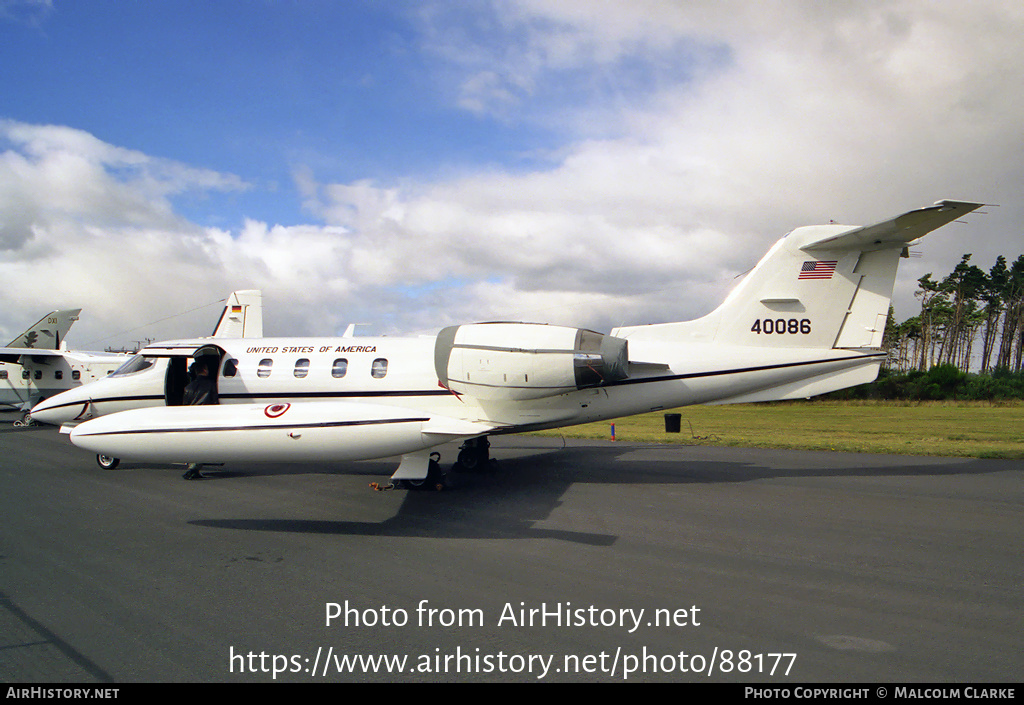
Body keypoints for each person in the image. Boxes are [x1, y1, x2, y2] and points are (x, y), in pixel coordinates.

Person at [182, 360, 217, 480]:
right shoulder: (211, 384)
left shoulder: (188, 387)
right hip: (205, 416)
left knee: (193, 442)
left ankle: (192, 467)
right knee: (203, 443)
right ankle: (194, 469)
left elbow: (185, 405)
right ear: (205, 370)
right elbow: (214, 402)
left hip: (192, 417)